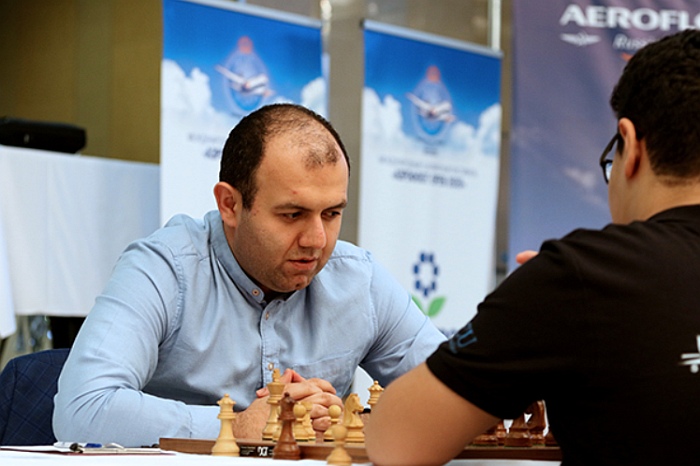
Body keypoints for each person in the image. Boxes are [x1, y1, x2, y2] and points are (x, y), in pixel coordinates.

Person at [366, 29, 700, 466]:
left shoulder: (582, 277)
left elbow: (394, 441)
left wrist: (538, 302)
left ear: (631, 145)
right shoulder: (579, 278)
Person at [53, 103, 444, 447]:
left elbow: (458, 388)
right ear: (230, 204)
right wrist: (237, 425)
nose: (317, 239)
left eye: (332, 213)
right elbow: (82, 409)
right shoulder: (164, 269)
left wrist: (350, 421)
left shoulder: (360, 281)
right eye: (292, 215)